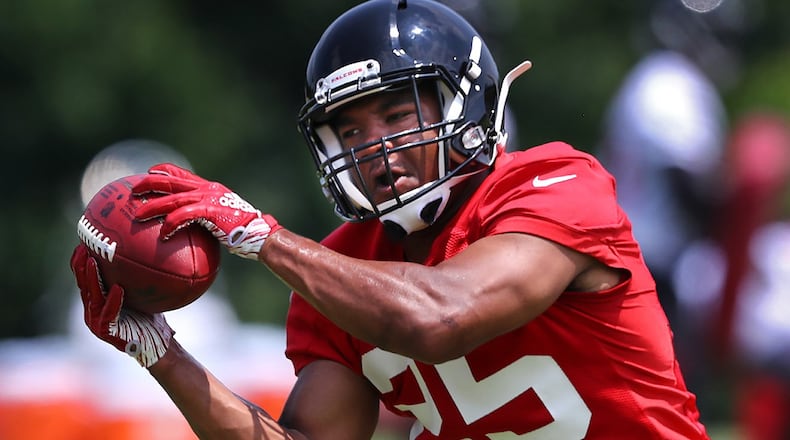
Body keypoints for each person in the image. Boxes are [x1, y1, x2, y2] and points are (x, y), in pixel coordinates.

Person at [69, 1, 709, 438]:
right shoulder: (337, 274)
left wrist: (265, 239)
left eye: (398, 115)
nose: (375, 147)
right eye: (349, 130)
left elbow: (441, 318)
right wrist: (163, 354)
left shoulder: (555, 184)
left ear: (467, 104)